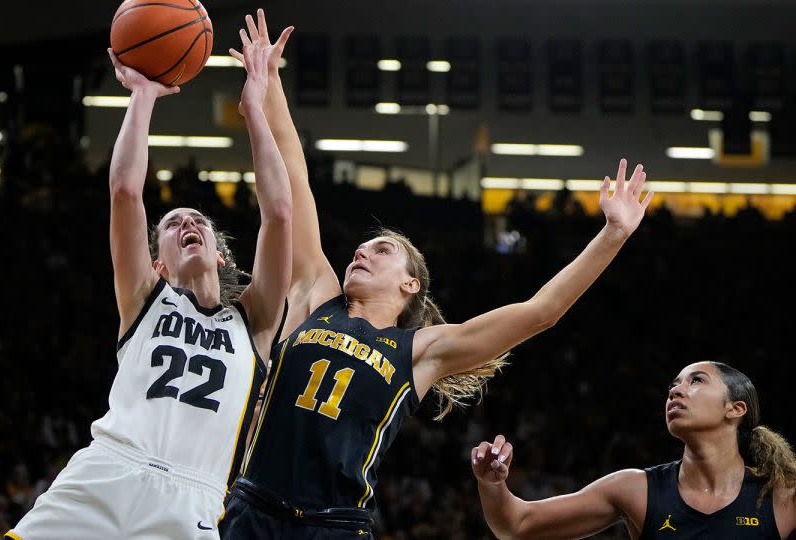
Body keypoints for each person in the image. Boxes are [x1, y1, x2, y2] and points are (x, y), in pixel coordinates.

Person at [220, 11, 654, 539]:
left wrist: (612, 235)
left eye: (382, 250)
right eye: (362, 246)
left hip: (334, 524)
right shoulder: (320, 295)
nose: (362, 251)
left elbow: (542, 312)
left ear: (410, 284)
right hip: (252, 505)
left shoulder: (421, 351)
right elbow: (294, 176)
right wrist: (269, 85)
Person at [6, 24, 293, 540]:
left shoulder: (255, 321)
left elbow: (278, 212)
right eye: (173, 223)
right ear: (156, 263)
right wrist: (142, 96)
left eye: (198, 221)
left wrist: (255, 111)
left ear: (222, 254)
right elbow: (124, 190)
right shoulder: (144, 299)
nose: (187, 224)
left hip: (194, 496)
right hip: (107, 469)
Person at [471, 361, 796, 539]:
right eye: (674, 385)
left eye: (695, 381)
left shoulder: (780, 497)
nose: (675, 392)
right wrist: (491, 484)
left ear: (735, 409)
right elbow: (517, 525)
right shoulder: (635, 490)